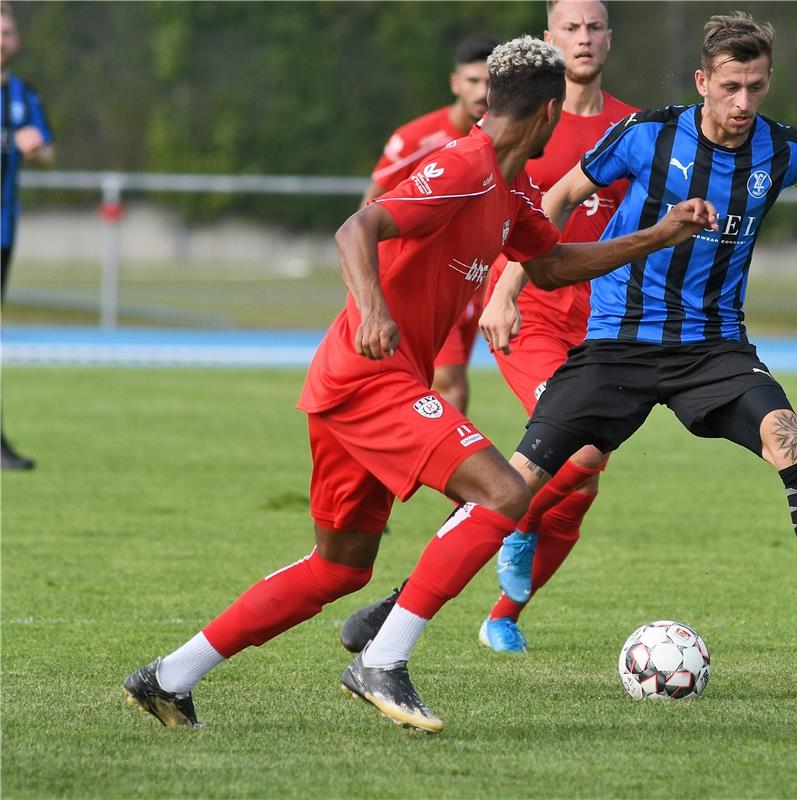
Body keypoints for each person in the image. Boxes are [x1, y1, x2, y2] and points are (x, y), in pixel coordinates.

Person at [122, 35, 719, 734]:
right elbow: (358, 227)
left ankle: (168, 677)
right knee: (504, 492)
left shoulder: (511, 185)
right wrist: (373, 310)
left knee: (338, 570)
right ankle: (383, 661)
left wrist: (658, 234)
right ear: (551, 111)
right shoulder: (465, 165)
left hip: (354, 385)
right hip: (371, 376)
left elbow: (552, 265)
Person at [484, 12, 797, 671]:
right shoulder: (648, 135)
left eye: (757, 87)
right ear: (703, 81)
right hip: (617, 345)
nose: (744, 102)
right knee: (519, 483)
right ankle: (404, 606)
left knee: (791, 440)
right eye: (732, 87)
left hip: (713, 351)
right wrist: (509, 287)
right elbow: (559, 197)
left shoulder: (778, 150)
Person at [338, 0, 639, 655]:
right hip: (525, 309)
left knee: (582, 479)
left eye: (594, 28)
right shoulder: (511, 127)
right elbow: (377, 217)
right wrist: (503, 291)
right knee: (573, 451)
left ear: (610, 41)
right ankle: (454, 557)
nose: (583, 39)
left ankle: (502, 608)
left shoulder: (632, 129)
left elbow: (568, 233)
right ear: (549, 39)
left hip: (603, 322)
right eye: (571, 28)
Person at [362, 35, 498, 414]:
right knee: (449, 385)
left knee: (433, 384)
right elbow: (368, 209)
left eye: (490, 82)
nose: (482, 91)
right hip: (423, 283)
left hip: (472, 284)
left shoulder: (504, 145)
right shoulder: (415, 140)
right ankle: (456, 469)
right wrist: (372, 295)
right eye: (473, 81)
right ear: (455, 83)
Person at [1, 0, 53, 471]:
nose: (3, 40)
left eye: (8, 32)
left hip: (3, 231)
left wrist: (37, 149)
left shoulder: (23, 93)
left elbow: (48, 151)